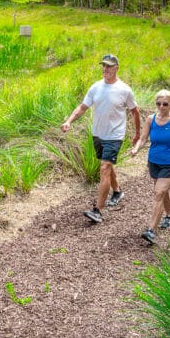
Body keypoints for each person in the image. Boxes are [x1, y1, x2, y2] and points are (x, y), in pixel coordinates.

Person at [60, 54, 141, 223]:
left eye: (109, 66)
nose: (105, 69)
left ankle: (98, 210)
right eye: (104, 66)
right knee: (107, 165)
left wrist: (137, 134)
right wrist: (69, 121)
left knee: (104, 167)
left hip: (115, 135)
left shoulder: (124, 89)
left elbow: (135, 111)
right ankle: (117, 191)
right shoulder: (96, 87)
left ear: (117, 68)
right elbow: (82, 107)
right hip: (98, 133)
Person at [129, 89, 170, 244]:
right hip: (154, 161)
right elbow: (143, 138)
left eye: (165, 104)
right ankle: (169, 216)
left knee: (158, 193)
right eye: (159, 103)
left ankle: (151, 230)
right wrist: (135, 149)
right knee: (162, 192)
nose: (162, 106)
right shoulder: (150, 119)